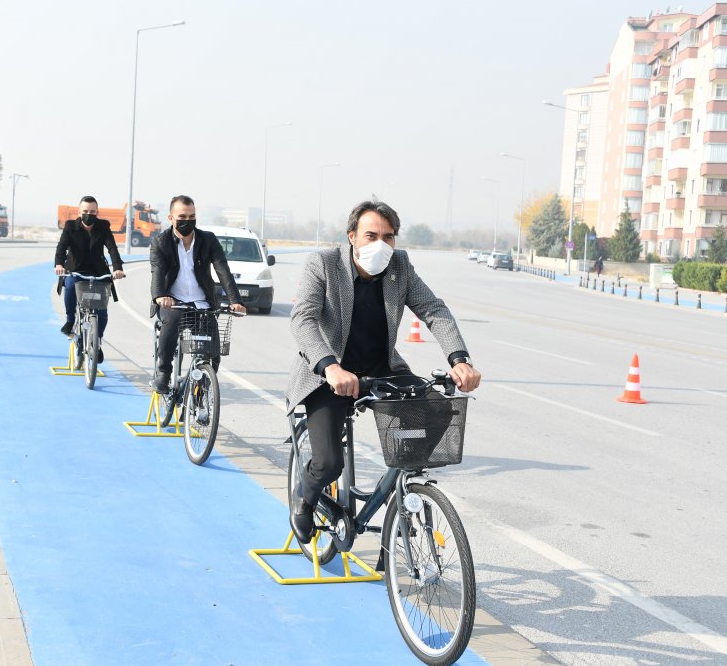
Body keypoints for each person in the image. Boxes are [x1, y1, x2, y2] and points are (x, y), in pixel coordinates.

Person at [285, 200, 481, 542]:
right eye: (371, 235)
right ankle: (303, 498)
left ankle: (397, 499)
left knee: (436, 412)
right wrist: (330, 366)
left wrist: (459, 358)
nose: (381, 244)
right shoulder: (324, 263)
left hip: (381, 370)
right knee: (329, 463)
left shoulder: (400, 266)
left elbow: (433, 308)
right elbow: (303, 319)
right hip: (328, 375)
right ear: (352, 237)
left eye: (388, 237)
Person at [149, 195, 247, 396]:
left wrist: (235, 300)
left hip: (202, 305)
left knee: (212, 354)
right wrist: (160, 296)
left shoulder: (207, 240)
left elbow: (223, 269)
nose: (187, 221)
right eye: (182, 216)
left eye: (192, 216)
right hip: (172, 304)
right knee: (172, 322)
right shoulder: (161, 242)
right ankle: (164, 372)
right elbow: (157, 271)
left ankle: (199, 394)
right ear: (171, 218)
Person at [54, 195, 126, 362]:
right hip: (75, 269)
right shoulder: (71, 226)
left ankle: (97, 342)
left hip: (97, 271)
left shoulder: (103, 226)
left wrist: (117, 268)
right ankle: (71, 320)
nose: (89, 214)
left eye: (92, 211)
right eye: (85, 211)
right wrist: (59, 264)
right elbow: (62, 247)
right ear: (79, 212)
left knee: (101, 309)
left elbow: (112, 248)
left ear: (97, 212)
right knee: (70, 286)